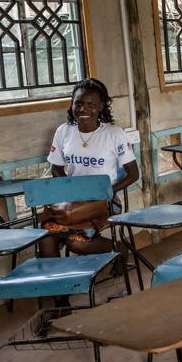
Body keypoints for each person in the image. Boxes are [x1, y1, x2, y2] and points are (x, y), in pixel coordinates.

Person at [40, 78, 139, 259]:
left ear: (101, 106)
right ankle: (60, 283)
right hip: (71, 201)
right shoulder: (64, 131)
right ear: (72, 105)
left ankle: (119, 250)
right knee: (46, 238)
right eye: (78, 103)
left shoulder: (114, 134)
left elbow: (133, 174)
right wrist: (70, 191)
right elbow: (56, 169)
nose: (83, 109)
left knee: (77, 243)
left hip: (105, 202)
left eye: (90, 104)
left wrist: (107, 191)